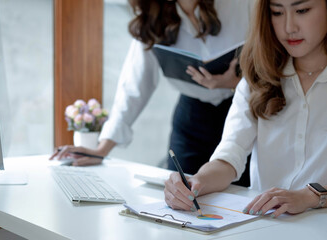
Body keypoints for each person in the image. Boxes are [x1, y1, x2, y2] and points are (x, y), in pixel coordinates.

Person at [51, 0, 253, 186]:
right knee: (180, 197)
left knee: (242, 201)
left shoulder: (240, 4)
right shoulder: (154, 15)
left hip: (243, 113)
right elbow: (134, 85)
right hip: (192, 119)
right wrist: (101, 149)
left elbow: (268, 59)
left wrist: (236, 82)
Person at [164, 0, 327, 217]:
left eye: (302, 10)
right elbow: (231, 154)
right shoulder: (258, 77)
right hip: (265, 226)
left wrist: (310, 196)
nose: (289, 27)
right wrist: (195, 183)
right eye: (277, 12)